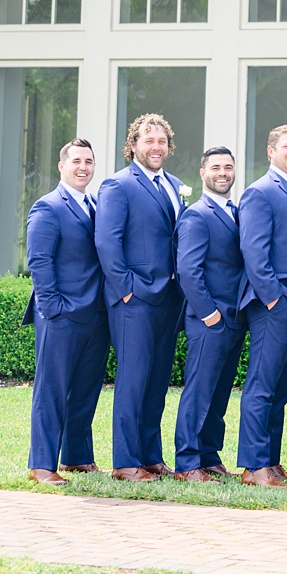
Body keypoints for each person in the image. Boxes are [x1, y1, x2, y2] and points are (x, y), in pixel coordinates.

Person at [95, 111, 184, 480]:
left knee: (157, 381)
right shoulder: (118, 185)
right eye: (148, 140)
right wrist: (128, 291)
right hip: (135, 300)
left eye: (162, 141)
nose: (156, 147)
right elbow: (106, 241)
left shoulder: (175, 184)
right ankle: (126, 462)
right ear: (133, 145)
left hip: (169, 299)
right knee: (133, 381)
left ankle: (151, 456)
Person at [236, 124, 287, 488]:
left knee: (282, 388)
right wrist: (273, 298)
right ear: (271, 151)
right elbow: (254, 251)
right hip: (275, 303)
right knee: (262, 385)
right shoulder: (260, 192)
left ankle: (271, 459)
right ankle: (254, 466)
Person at [25, 138, 106, 484]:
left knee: (86, 390)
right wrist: (52, 309)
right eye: (76, 161)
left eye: (88, 161)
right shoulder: (48, 207)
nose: (83, 167)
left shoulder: (97, 205)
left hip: (96, 314)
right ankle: (42, 465)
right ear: (62, 166)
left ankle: (76, 456)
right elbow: (39, 261)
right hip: (60, 316)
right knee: (52, 390)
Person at [173, 145, 246, 482]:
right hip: (210, 320)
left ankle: (209, 455)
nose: (223, 173)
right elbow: (188, 270)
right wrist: (209, 314)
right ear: (203, 173)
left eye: (228, 167)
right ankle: (187, 462)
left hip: (234, 318)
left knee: (218, 394)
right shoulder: (197, 215)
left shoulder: (236, 211)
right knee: (199, 391)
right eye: (215, 167)